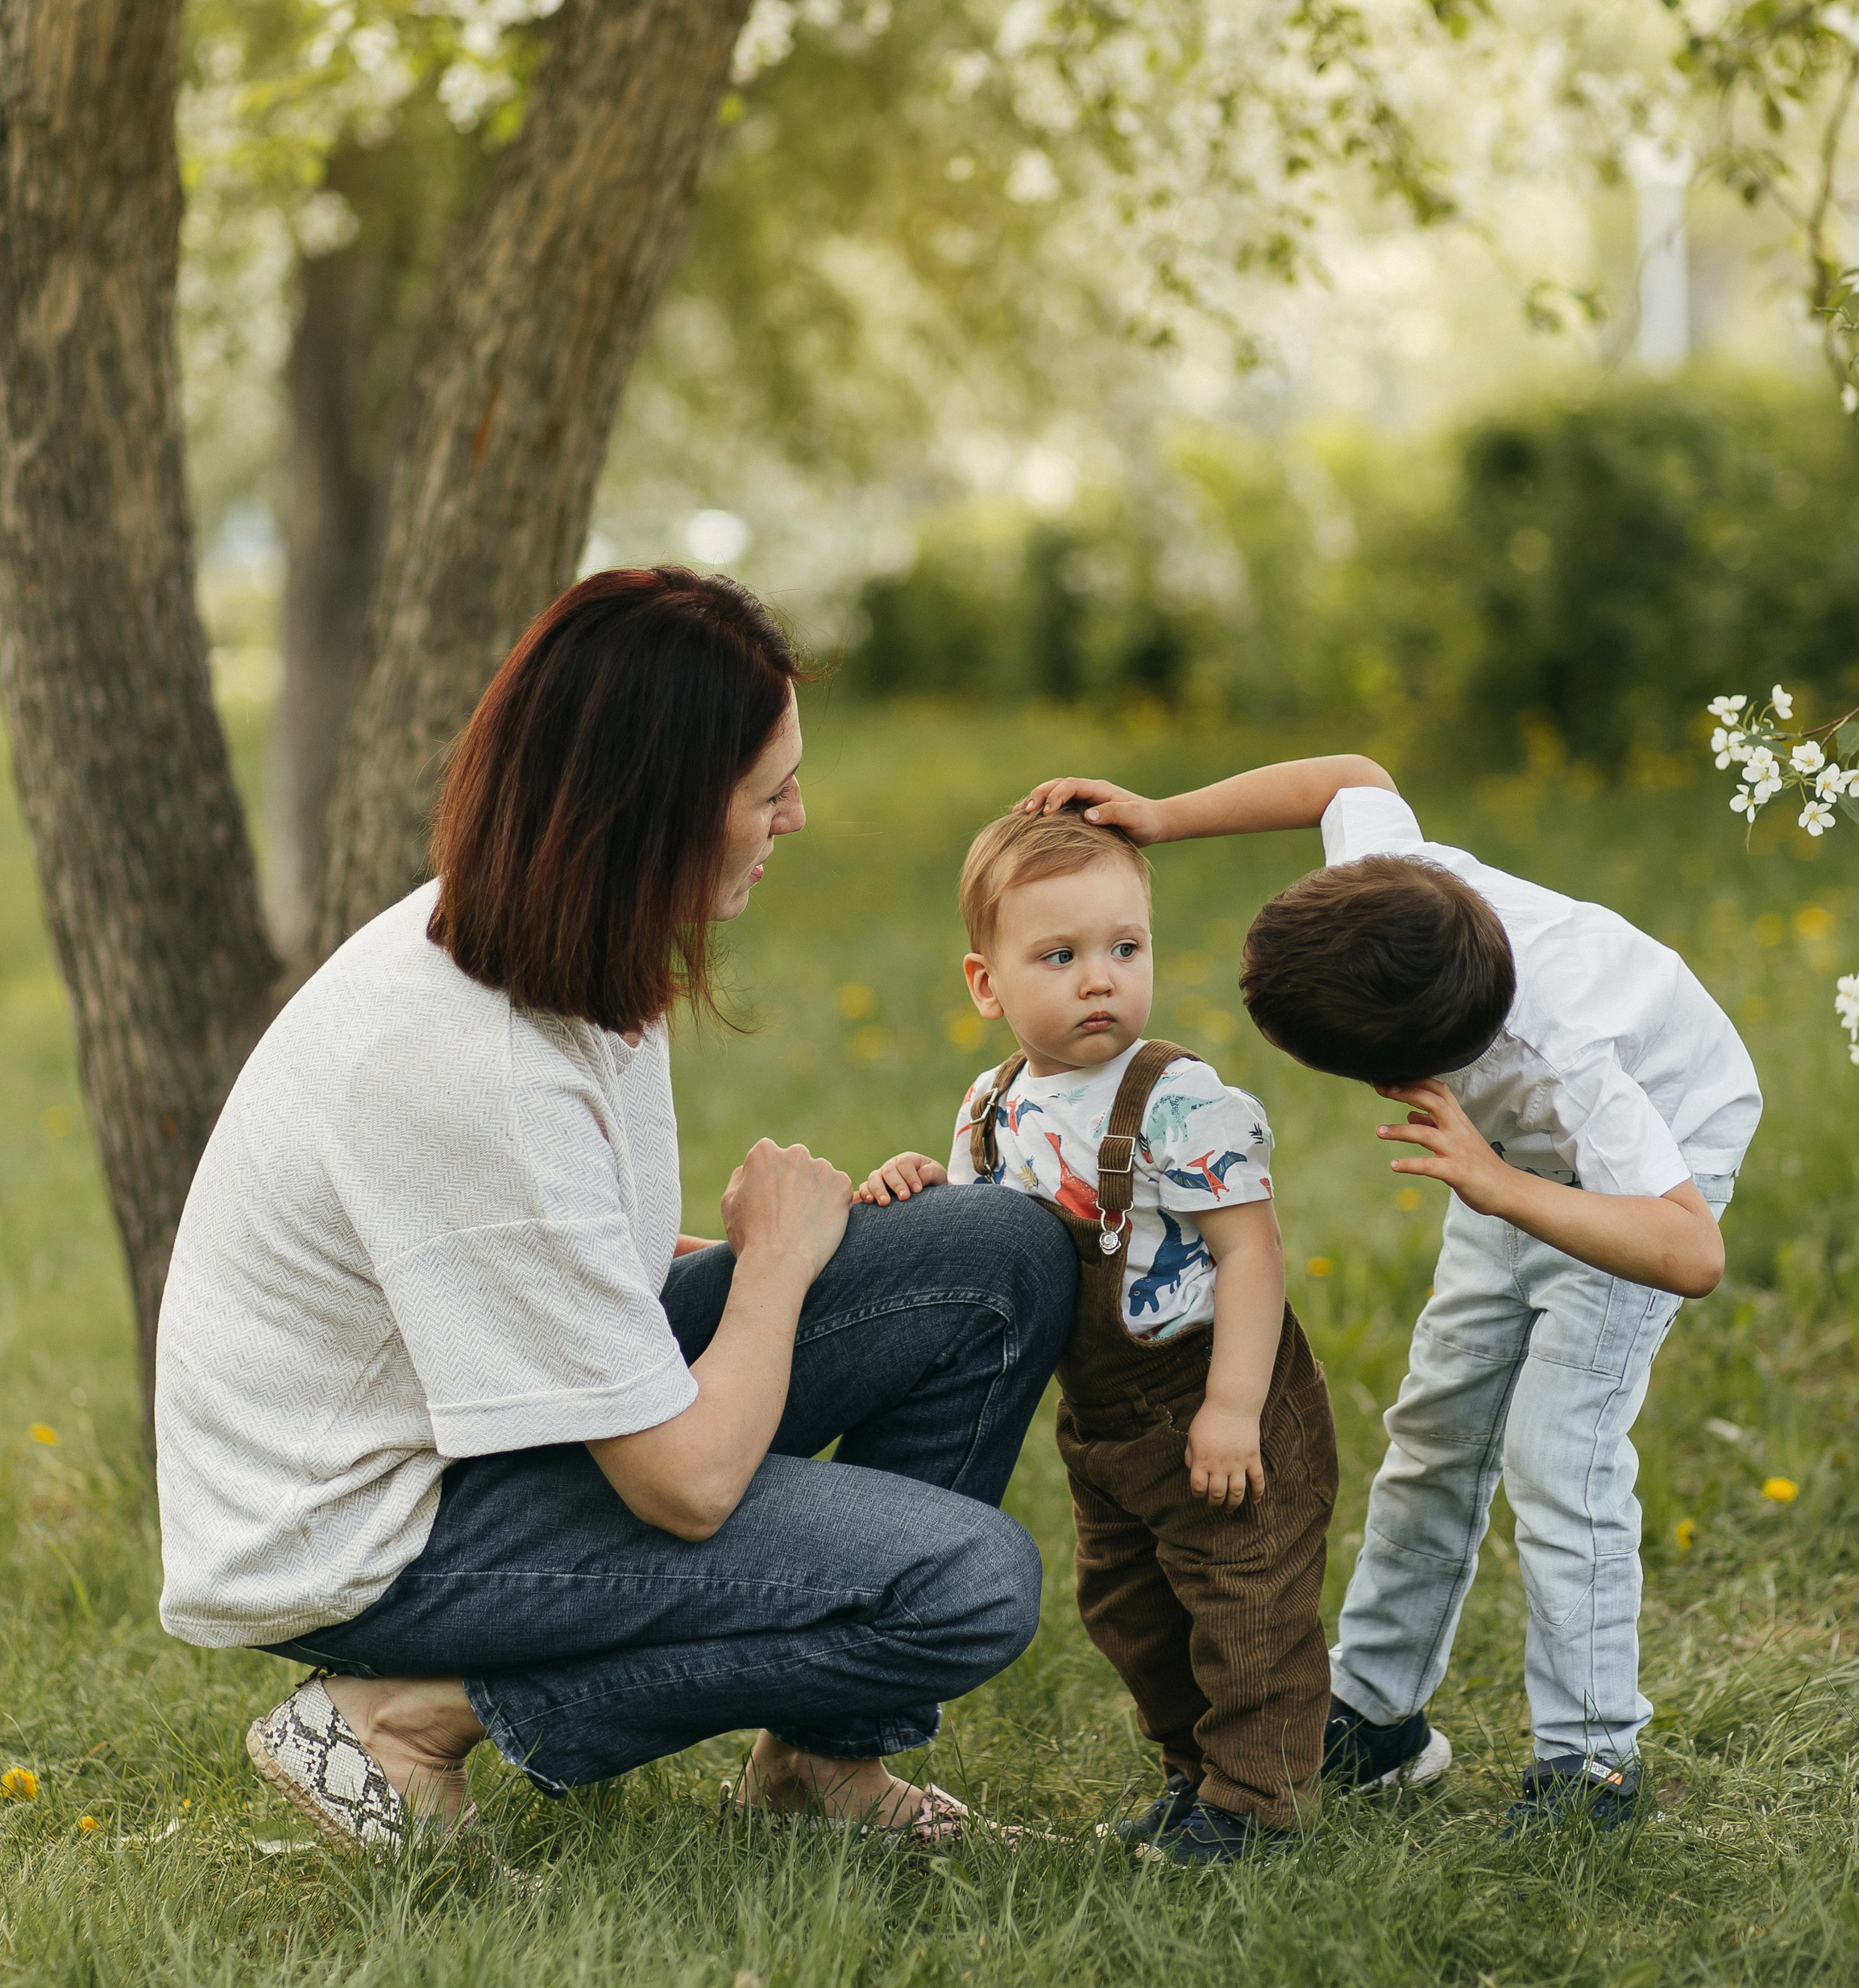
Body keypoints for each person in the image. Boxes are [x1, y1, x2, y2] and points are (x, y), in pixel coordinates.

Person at [154, 568, 1075, 1857]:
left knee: (996, 1254)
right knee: (964, 1583)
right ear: (653, 812)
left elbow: (567, 1273)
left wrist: (813, 1255)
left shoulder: (570, 944)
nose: (797, 817)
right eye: (769, 793)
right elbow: (686, 1490)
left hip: (473, 1442)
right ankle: (404, 1715)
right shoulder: (473, 1072)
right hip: (368, 1537)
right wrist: (779, 1264)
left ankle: (816, 1762)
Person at [1017, 753, 1761, 1836]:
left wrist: (1498, 1185)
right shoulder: (1393, 883)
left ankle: (1592, 1763)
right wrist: (1161, 818)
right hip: (1506, 1161)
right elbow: (1348, 776)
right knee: (1435, 1429)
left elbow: (1690, 1250)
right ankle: (1377, 1716)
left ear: (1399, 1078)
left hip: (1650, 1179)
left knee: (1563, 1458)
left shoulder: (1571, 1062)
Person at [853, 805, 1337, 1866]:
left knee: (1244, 1599)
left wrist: (1232, 1410)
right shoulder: (991, 1107)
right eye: (1060, 956)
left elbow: (1251, 1255)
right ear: (987, 985)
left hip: (1219, 1391)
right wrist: (918, 1190)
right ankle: (1193, 1776)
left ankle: (1261, 1802)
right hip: (1108, 1421)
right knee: (1129, 1603)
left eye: (1125, 948)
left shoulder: (1178, 1102)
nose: (1100, 979)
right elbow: (982, 1235)